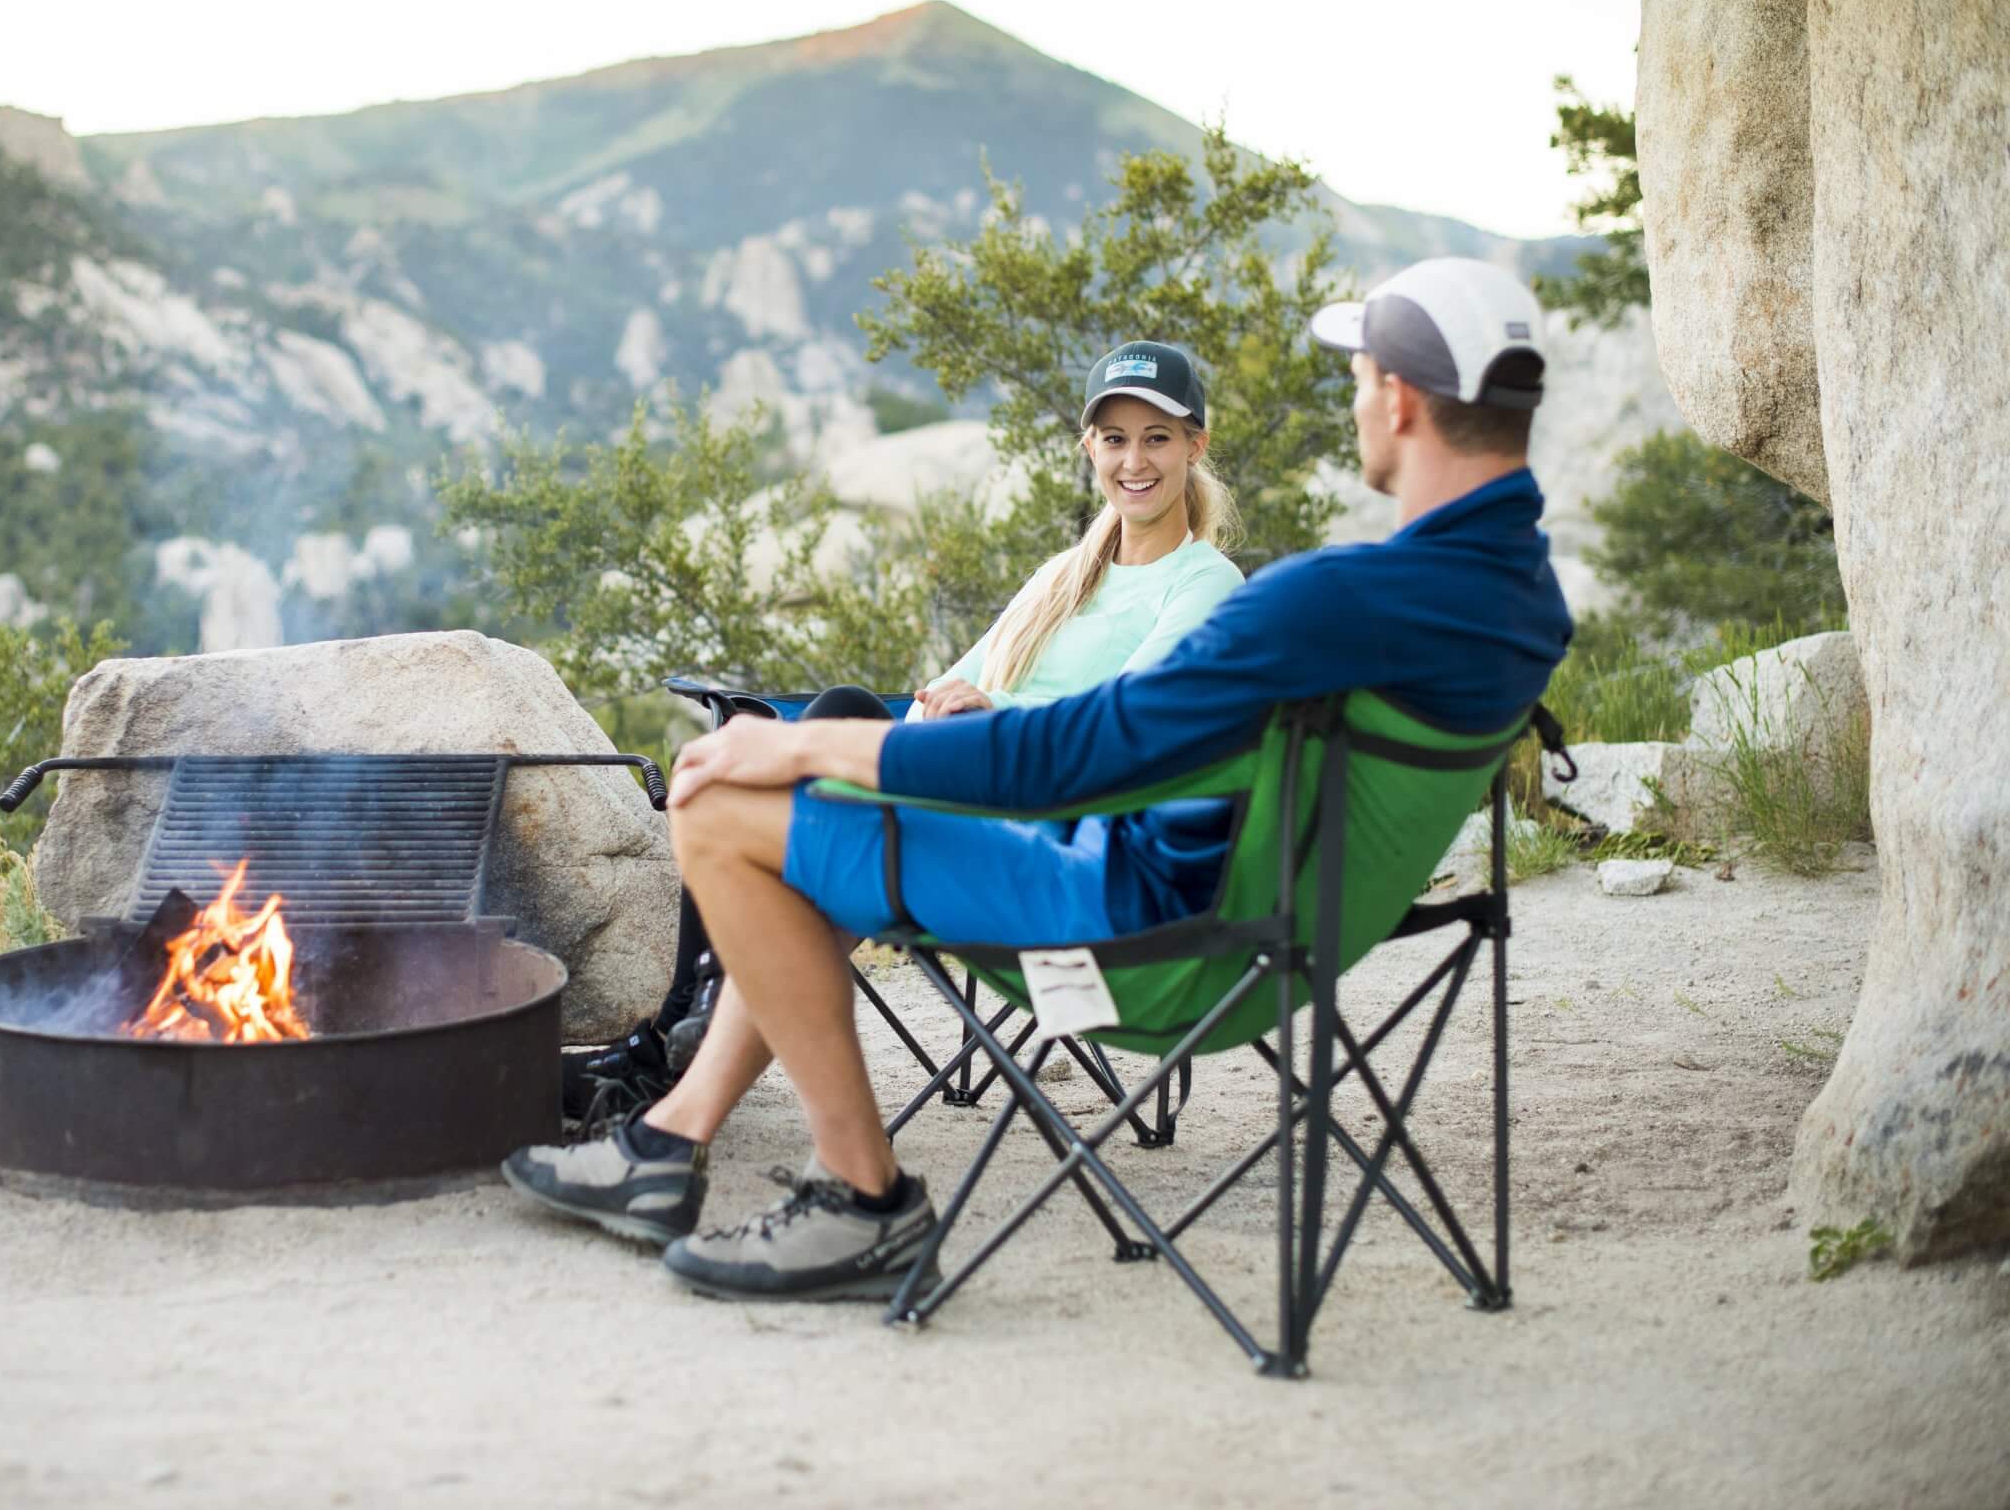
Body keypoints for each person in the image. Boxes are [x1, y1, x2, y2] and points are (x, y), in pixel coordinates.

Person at [503, 256, 1575, 1302]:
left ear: (1394, 400)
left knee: (726, 809)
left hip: (1135, 937)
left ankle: (861, 1198)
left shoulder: (1320, 601)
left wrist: (803, 745)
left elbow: (1073, 755)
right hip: (1279, 939)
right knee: (815, 798)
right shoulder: (1517, 602)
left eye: (1355, 379)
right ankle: (669, 1133)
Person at [562, 343, 1247, 1120]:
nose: (1135, 459)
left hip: (1049, 828)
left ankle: (679, 1036)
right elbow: (943, 691)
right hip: (970, 784)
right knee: (814, 727)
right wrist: (949, 717)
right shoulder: (1066, 573)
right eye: (1115, 437)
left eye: (1157, 436)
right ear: (1090, 446)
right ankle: (679, 1034)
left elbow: (1133, 723)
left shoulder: (1205, 584)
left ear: (1196, 444)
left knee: (820, 743)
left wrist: (993, 716)